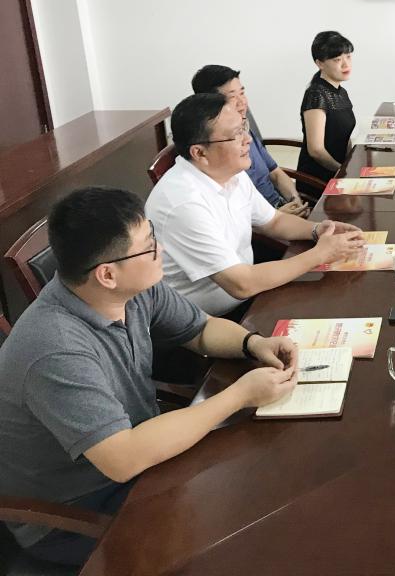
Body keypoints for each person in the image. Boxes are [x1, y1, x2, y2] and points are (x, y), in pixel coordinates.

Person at [0, 187, 301, 566]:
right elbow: (122, 459)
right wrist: (240, 395)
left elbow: (200, 329)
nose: (161, 249)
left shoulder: (134, 289)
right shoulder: (55, 348)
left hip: (141, 454)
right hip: (78, 510)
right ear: (107, 274)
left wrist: (252, 343)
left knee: (264, 484)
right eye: (149, 246)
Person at [147, 92, 365, 317]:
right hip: (208, 321)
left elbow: (273, 221)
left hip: (252, 291)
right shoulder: (183, 203)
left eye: (244, 127)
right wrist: (320, 255)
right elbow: (241, 284)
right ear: (200, 153)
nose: (248, 140)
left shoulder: (230, 172)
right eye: (235, 134)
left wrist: (318, 230)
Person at [191, 64, 308, 216]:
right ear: (210, 104)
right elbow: (234, 213)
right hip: (264, 222)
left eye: (242, 93)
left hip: (281, 209)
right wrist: (277, 216)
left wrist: (295, 199)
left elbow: (276, 173)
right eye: (232, 97)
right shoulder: (216, 150)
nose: (242, 102)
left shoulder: (245, 130)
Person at [298, 31, 357, 185]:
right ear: (320, 63)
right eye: (337, 59)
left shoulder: (341, 92)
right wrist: (343, 170)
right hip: (319, 179)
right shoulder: (316, 95)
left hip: (339, 170)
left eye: (348, 57)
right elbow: (316, 151)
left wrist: (350, 162)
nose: (346, 64)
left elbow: (344, 136)